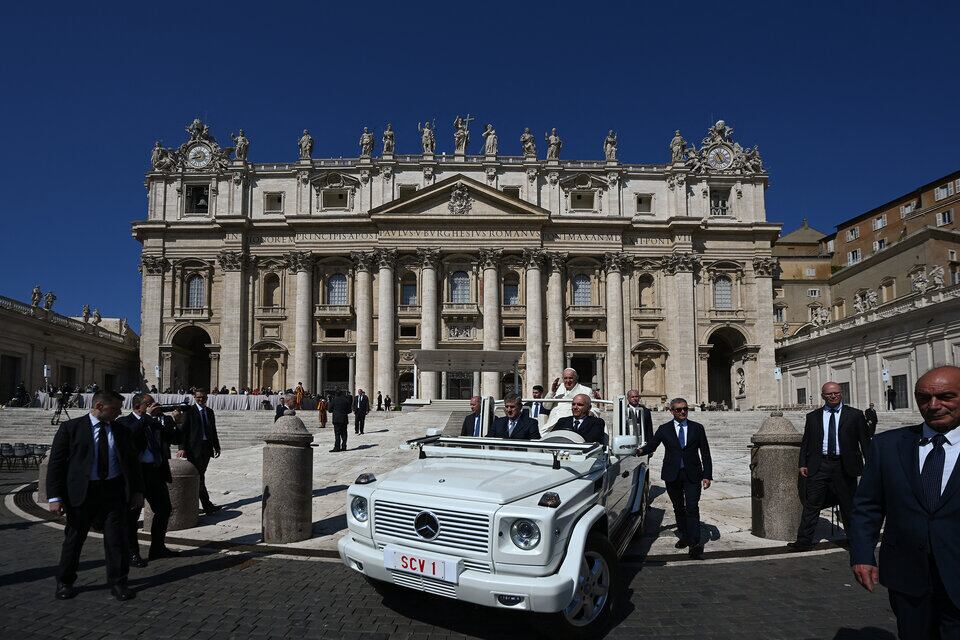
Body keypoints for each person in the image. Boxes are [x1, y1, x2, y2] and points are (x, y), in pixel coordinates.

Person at [850, 366, 960, 638]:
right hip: (907, 575)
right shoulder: (887, 445)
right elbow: (867, 506)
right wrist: (862, 554)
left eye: (946, 396)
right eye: (923, 398)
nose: (933, 405)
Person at [46, 390, 143, 601]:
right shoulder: (71, 428)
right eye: (115, 409)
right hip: (82, 493)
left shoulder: (122, 431)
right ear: (100, 406)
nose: (119, 413)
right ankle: (65, 581)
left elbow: (132, 465)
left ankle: (118, 582)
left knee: (116, 539)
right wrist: (54, 497)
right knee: (74, 538)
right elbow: (56, 465)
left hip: (113, 492)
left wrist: (137, 492)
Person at [788, 381, 869, 551]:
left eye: (836, 393)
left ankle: (855, 542)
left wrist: (871, 466)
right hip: (819, 465)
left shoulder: (855, 415)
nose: (833, 396)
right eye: (829, 394)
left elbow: (865, 443)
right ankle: (803, 542)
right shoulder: (813, 417)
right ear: (823, 395)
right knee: (811, 505)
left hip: (844, 466)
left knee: (849, 506)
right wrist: (802, 463)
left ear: (841, 394)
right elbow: (806, 442)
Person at [639, 397, 713, 560]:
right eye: (679, 409)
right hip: (672, 474)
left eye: (685, 409)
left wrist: (707, 475)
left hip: (693, 474)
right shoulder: (664, 429)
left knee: (692, 507)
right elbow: (652, 446)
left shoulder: (697, 428)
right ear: (671, 411)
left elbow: (705, 453)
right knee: (678, 507)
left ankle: (694, 543)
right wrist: (637, 451)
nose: (683, 412)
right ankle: (684, 536)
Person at [117, 393, 181, 567]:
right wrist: (147, 418)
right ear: (139, 406)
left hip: (155, 472)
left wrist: (175, 421)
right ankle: (132, 553)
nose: (154, 406)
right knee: (132, 515)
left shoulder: (156, 421)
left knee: (164, 509)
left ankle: (158, 547)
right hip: (136, 474)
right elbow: (131, 437)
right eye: (150, 403)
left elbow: (173, 438)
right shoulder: (125, 422)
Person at [176, 389, 222, 515]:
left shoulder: (209, 412)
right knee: (199, 476)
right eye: (198, 398)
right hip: (193, 448)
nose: (201, 399)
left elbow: (213, 430)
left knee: (201, 475)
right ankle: (206, 505)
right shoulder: (189, 411)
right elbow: (183, 430)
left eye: (203, 397)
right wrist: (181, 448)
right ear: (194, 398)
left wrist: (216, 446)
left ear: (206, 398)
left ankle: (196, 504)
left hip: (206, 447)